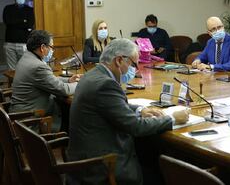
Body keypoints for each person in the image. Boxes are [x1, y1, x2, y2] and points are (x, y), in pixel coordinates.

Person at [67, 38, 189, 185]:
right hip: (102, 168)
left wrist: (141, 109)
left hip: (86, 158)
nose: (135, 70)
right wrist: (172, 118)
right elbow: (135, 126)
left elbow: (111, 105)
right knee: (162, 171)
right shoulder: (105, 84)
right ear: (119, 60)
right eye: (133, 64)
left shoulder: (93, 75)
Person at [10, 30, 81, 130]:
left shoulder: (27, 57)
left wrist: (68, 80)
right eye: (51, 47)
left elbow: (47, 79)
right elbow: (64, 90)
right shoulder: (37, 66)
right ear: (43, 47)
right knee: (69, 111)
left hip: (19, 113)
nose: (53, 51)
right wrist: (79, 83)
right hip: (30, 121)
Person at [3, 0, 34, 70]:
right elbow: (8, 22)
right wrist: (23, 21)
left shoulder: (29, 10)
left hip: (24, 44)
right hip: (10, 43)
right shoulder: (8, 8)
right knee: (12, 70)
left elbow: (29, 24)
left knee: (25, 68)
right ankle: (13, 83)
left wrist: (15, 22)